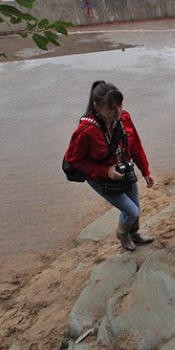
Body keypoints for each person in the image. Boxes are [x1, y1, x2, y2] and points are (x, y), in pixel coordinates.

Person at [64, 80, 154, 251]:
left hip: (125, 170)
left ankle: (134, 234)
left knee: (137, 209)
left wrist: (145, 171)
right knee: (131, 212)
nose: (118, 112)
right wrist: (106, 171)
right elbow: (74, 160)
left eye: (120, 106)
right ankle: (122, 235)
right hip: (101, 179)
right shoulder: (86, 132)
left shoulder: (124, 118)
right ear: (97, 107)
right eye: (112, 108)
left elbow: (135, 146)